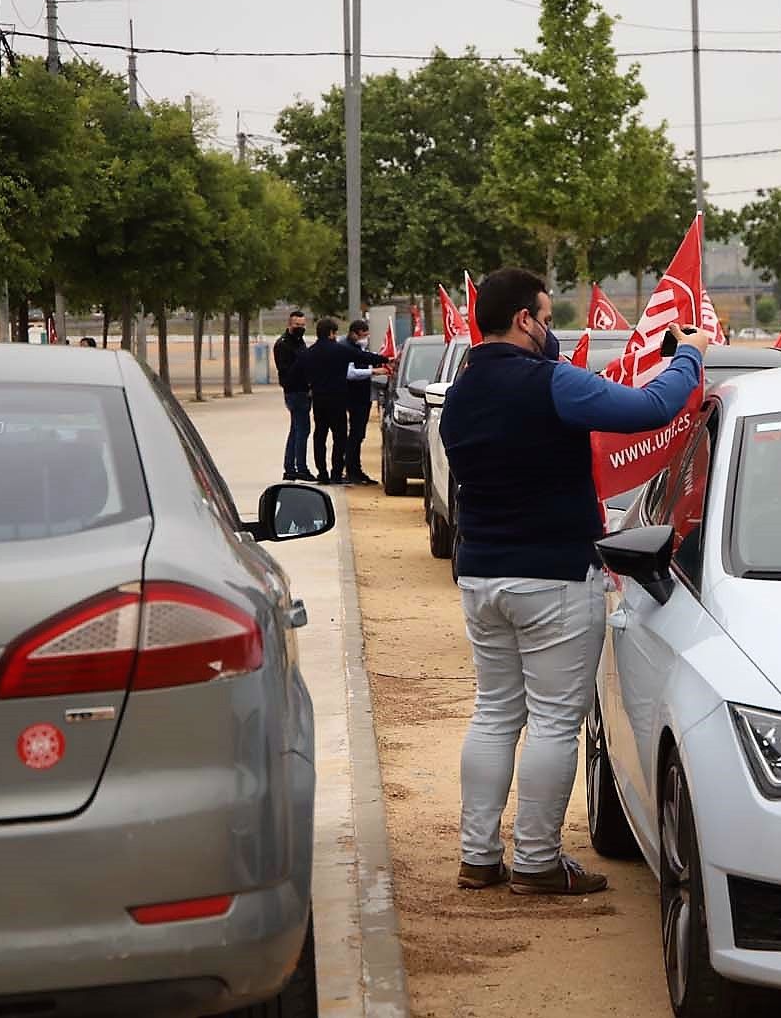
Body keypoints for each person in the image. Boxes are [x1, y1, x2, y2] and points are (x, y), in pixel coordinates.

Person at [440, 268, 708, 896]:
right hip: (554, 576)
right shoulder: (549, 382)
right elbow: (651, 408)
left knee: (494, 713)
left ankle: (477, 856)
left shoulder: (461, 390)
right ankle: (535, 861)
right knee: (557, 719)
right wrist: (689, 356)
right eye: (545, 314)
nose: (552, 327)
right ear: (524, 320)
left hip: (482, 574)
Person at [296, 317, 391, 485]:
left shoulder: (310, 352)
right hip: (338, 398)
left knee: (320, 436)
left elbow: (300, 372)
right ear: (332, 333)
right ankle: (336, 472)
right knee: (339, 437)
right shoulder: (339, 350)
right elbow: (363, 356)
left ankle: (322, 473)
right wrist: (385, 359)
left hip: (319, 400)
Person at [341, 318, 385, 486]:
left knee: (359, 435)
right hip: (354, 398)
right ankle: (351, 470)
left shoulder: (359, 348)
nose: (365, 338)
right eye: (363, 335)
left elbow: (366, 358)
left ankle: (355, 469)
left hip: (362, 397)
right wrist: (373, 371)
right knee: (355, 434)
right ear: (354, 333)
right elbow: (350, 373)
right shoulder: (347, 349)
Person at [273, 310, 313, 481]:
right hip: (295, 392)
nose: (300, 328)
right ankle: (300, 468)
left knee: (296, 430)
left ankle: (290, 468)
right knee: (302, 430)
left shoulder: (299, 342)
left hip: (303, 391)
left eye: (303, 325)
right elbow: (286, 372)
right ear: (289, 325)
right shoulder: (284, 345)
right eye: (297, 325)